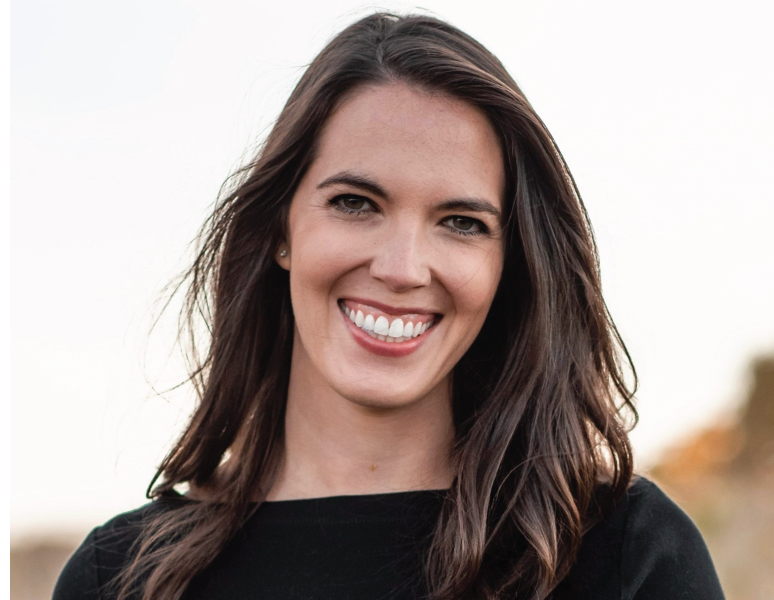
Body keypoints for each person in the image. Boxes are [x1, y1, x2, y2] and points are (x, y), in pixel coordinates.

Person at [53, 13, 724, 600]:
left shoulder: (622, 556)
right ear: (282, 229)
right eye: (355, 203)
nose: (402, 268)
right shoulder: (118, 579)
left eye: (461, 222)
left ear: (506, 267)